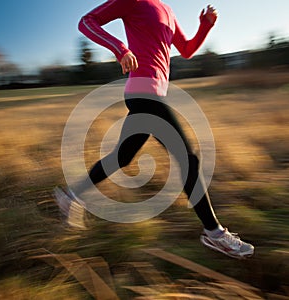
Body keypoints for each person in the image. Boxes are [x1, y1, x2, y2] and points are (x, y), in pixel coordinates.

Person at [56, 0, 254, 259]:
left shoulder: (168, 11)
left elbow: (186, 50)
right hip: (144, 93)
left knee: (122, 157)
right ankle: (214, 233)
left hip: (152, 95)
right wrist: (120, 49)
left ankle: (70, 196)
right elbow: (86, 22)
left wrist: (205, 27)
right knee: (188, 157)